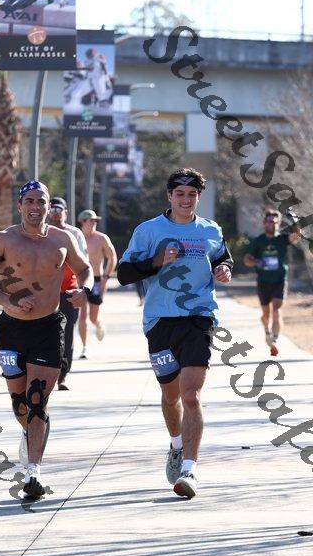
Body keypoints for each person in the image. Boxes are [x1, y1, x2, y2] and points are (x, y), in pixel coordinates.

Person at [0, 180, 93, 498]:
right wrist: (6, 300)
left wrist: (85, 289)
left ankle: (33, 473)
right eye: (30, 201)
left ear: (49, 206)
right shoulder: (3, 239)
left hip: (48, 328)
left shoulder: (62, 239)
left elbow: (85, 269)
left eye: (42, 201)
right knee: (20, 401)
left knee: (37, 400)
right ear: (20, 205)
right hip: (11, 329)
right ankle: (28, 434)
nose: (36, 207)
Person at [117, 167, 233, 499]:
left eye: (192, 194)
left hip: (199, 318)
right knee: (171, 397)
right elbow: (124, 273)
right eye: (179, 194)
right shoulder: (148, 231)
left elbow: (223, 257)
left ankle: (189, 471)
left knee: (191, 395)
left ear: (199, 197)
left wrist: (224, 269)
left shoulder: (210, 230)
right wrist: (156, 261)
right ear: (169, 196)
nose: (185, 200)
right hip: (160, 322)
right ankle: (177, 444)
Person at [243, 208, 299, 356]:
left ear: (278, 223)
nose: (271, 224)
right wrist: (257, 261)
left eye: (275, 222)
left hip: (279, 280)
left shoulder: (282, 239)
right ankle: (266, 330)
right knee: (266, 314)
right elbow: (247, 260)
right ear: (264, 223)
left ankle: (274, 340)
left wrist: (294, 221)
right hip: (263, 282)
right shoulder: (258, 241)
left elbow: (296, 236)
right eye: (269, 221)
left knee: (276, 310)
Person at [48, 196, 88, 391]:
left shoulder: (74, 233)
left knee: (67, 333)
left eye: (59, 210)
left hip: (68, 290)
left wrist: (83, 290)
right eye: (52, 210)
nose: (55, 214)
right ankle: (49, 371)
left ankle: (63, 374)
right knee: (48, 333)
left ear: (66, 212)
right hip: (47, 292)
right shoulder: (41, 232)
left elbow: (83, 264)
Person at [77, 209, 117, 359]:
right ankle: (84, 347)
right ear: (82, 222)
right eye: (91, 220)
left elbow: (112, 257)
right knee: (82, 315)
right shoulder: (76, 238)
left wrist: (106, 277)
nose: (94, 223)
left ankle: (98, 324)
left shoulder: (101, 238)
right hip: (80, 279)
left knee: (93, 317)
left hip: (96, 280)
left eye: (95, 221)